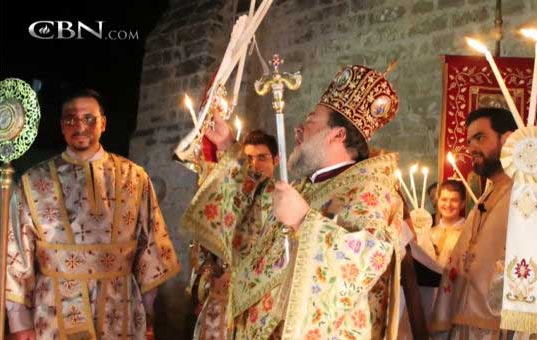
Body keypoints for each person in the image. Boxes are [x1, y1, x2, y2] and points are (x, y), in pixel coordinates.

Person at [182, 64, 404, 339]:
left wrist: (303, 221)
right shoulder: (309, 184)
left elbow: (364, 262)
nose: (299, 129)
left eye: (311, 120)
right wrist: (227, 144)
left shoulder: (370, 190)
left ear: (337, 135)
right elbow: (257, 201)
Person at [5, 89, 181, 340]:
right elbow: (16, 252)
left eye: (89, 118)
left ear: (104, 123)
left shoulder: (135, 177)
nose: (80, 126)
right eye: (71, 119)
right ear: (61, 126)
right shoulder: (33, 181)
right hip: (54, 311)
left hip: (120, 308)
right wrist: (19, 321)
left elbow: (151, 247)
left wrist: (148, 310)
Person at [430, 107, 517, 339]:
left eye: (480, 137)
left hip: (501, 327)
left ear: (507, 139)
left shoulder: (526, 195)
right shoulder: (486, 195)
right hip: (466, 324)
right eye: (469, 141)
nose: (471, 148)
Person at [187, 129, 279, 337]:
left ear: (276, 160)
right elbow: (202, 249)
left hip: (259, 307)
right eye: (248, 159)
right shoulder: (225, 198)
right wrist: (212, 275)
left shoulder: (281, 200)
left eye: (262, 158)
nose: (254, 165)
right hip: (219, 306)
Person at [431, 179, 466, 267]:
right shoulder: (429, 234)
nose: (448, 205)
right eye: (444, 199)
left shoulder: (468, 233)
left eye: (454, 200)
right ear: (438, 201)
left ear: (462, 204)